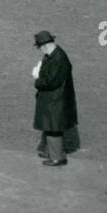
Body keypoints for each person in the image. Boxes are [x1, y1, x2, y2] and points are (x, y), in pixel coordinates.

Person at [32, 30, 76, 167]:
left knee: (53, 127)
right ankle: (51, 152)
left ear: (44, 46)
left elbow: (50, 81)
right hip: (54, 99)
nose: (40, 50)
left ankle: (57, 158)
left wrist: (36, 79)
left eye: (39, 47)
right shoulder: (54, 55)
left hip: (56, 100)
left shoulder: (57, 59)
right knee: (50, 126)